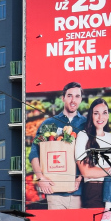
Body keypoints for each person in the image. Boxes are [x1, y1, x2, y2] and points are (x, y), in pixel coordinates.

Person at [29, 81, 86, 210]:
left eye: (77, 96)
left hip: (79, 193)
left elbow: (92, 156)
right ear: (63, 98)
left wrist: (80, 178)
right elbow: (34, 153)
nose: (73, 100)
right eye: (69, 96)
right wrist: (40, 178)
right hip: (54, 192)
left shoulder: (86, 123)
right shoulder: (49, 123)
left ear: (81, 99)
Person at [74, 98, 111, 211]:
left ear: (108, 115)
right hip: (94, 189)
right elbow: (86, 172)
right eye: (96, 113)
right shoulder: (83, 136)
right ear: (91, 115)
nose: (100, 117)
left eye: (104, 113)